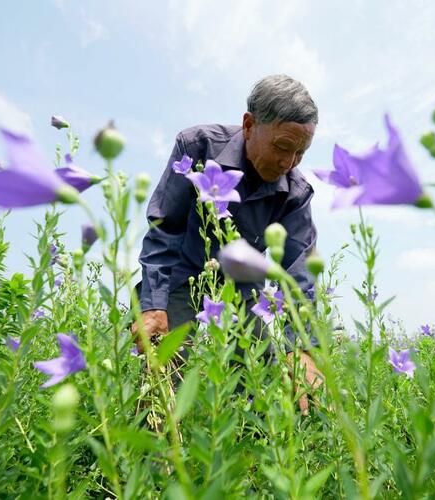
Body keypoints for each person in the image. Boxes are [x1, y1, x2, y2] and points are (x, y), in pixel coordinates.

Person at [132, 74, 323, 414]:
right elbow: (165, 227)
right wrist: (152, 304)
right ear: (249, 125)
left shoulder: (295, 192)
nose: (288, 163)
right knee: (160, 373)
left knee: (261, 379)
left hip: (242, 287)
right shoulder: (197, 148)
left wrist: (302, 348)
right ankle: (155, 456)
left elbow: (299, 272)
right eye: (282, 147)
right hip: (183, 275)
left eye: (300, 153)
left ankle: (249, 453)